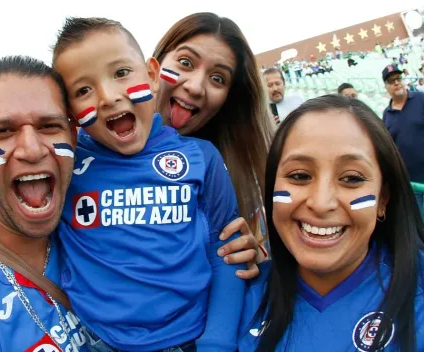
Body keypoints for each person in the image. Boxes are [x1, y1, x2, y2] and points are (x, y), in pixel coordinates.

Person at [52, 17, 245, 351]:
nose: (108, 97)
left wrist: (217, 343)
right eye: (83, 90)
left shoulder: (202, 158)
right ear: (70, 112)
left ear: (152, 76)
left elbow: (228, 253)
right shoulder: (66, 163)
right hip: (93, 342)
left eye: (121, 73)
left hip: (189, 341)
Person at [239, 95, 424, 351]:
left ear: (383, 199)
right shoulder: (239, 297)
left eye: (351, 178)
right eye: (300, 175)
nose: (321, 202)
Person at [0, 56, 87, 351]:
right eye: (3, 131)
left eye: (50, 126)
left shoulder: (107, 221)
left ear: (74, 138)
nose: (31, 149)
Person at [152, 13, 273, 248]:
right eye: (186, 63)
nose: (196, 87)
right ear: (154, 65)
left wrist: (253, 260)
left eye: (218, 78)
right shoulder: (93, 148)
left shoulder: (238, 186)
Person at [382, 64, 424, 219]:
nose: (396, 83)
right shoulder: (387, 114)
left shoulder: (420, 99)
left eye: (398, 78)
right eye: (391, 81)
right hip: (410, 183)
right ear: (386, 87)